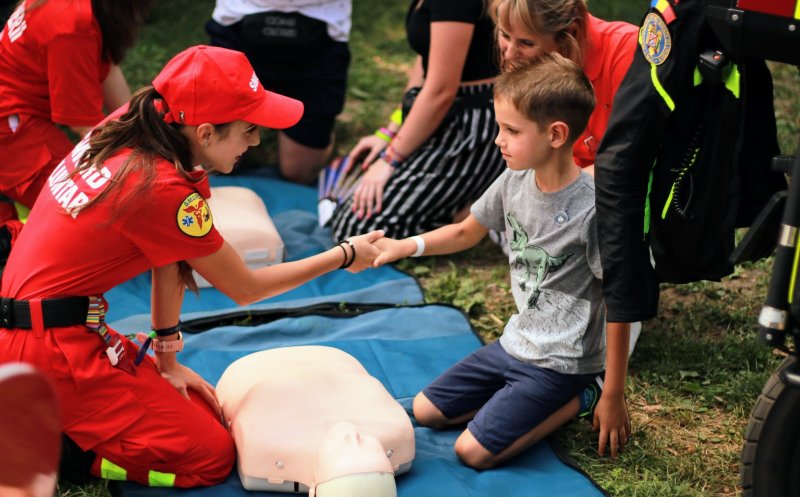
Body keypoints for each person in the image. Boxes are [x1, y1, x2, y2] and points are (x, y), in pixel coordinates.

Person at [0, 45, 384, 488]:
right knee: (210, 458)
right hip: (50, 348)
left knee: (206, 411)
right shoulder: (159, 187)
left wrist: (167, 358)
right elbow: (246, 288)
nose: (256, 141)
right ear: (204, 133)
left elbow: (169, 256)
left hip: (56, 328)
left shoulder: (143, 122)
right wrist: (345, 255)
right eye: (249, 130)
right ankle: (65, 451)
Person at [373, 53, 631, 468]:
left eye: (511, 130)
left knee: (471, 453)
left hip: (564, 364)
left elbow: (621, 302)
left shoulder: (593, 212)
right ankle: (517, 400)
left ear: (556, 134)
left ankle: (587, 392)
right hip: (516, 344)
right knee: (424, 411)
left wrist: (614, 393)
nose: (498, 139)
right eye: (500, 127)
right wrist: (404, 246)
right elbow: (465, 231)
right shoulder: (514, 180)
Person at [330, 0, 504, 241]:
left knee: (358, 232)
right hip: (440, 112)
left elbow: (441, 91)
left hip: (471, 125)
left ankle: (477, 216)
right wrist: (390, 132)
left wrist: (389, 159)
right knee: (349, 206)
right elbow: (426, 62)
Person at [0, 0, 151, 256]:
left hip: (17, 120)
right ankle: (6, 239)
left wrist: (146, 130)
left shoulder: (77, 11)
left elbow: (106, 69)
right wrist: (150, 157)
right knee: (96, 218)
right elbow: (84, 125)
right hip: (11, 130)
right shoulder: (72, 24)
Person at [206, 0, 352, 185]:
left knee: (298, 174)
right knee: (216, 164)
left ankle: (316, 131)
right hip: (237, 18)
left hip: (322, 22)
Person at [491, 0, 638, 176]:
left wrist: (565, 191)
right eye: (505, 35)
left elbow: (633, 155)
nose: (509, 54)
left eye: (526, 43)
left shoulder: (626, 52)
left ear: (571, 33)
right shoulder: (533, 66)